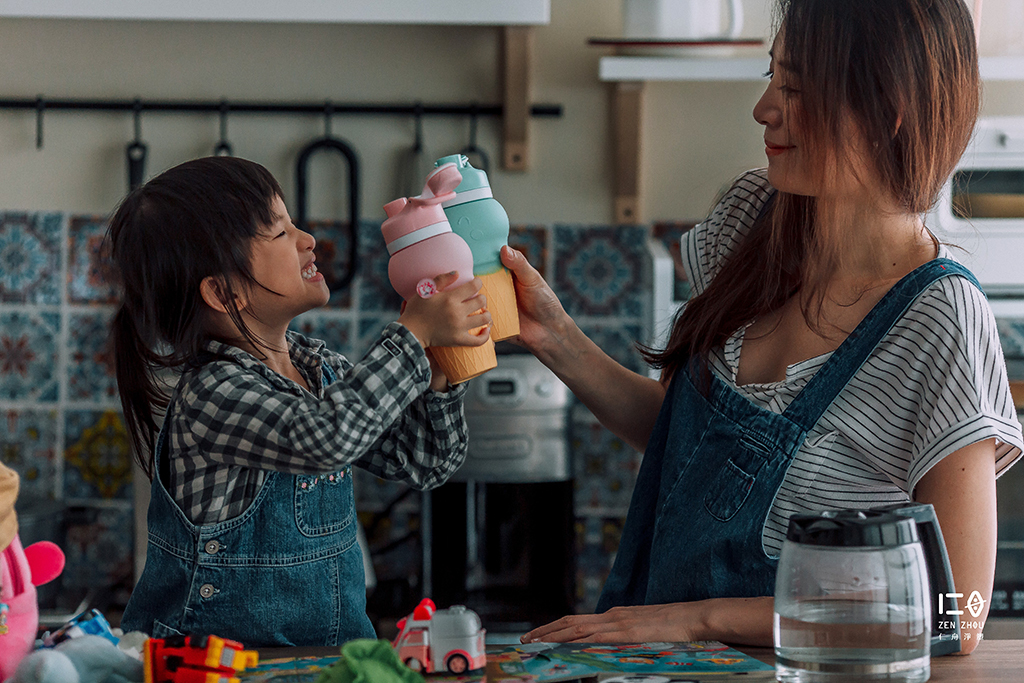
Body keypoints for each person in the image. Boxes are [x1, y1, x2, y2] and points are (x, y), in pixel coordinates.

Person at [504, 0, 1022, 654]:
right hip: (657, 664)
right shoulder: (752, 218)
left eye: (797, 88)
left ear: (888, 107)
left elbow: (957, 612)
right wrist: (554, 336)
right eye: (771, 76)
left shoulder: (941, 319)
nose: (765, 108)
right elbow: (689, 442)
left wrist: (699, 618)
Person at [109, 157, 490, 647]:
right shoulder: (213, 393)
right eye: (279, 233)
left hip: (324, 659)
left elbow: (424, 461)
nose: (307, 238)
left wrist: (438, 371)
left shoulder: (318, 369)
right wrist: (411, 337)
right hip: (217, 669)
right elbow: (328, 437)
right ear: (224, 292)